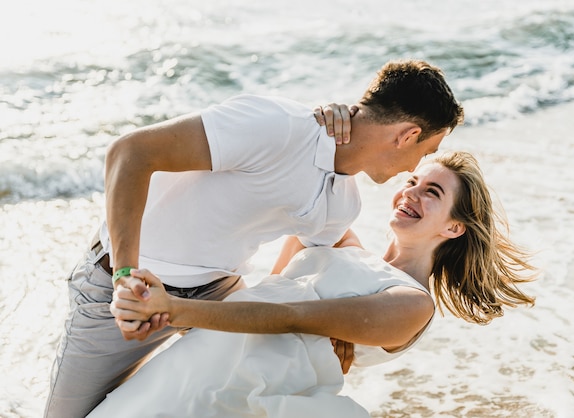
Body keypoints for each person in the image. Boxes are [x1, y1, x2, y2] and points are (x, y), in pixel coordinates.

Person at [45, 59, 464, 418]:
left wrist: (334, 335)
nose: (417, 163)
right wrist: (125, 277)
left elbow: (327, 267)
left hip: (216, 292)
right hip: (120, 286)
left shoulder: (343, 204)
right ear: (408, 134)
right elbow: (130, 152)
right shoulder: (277, 126)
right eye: (425, 151)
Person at [87, 151, 537, 417]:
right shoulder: (343, 240)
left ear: (455, 228)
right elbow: (275, 285)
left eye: (432, 193)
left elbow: (289, 318)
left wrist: (176, 309)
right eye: (412, 181)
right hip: (203, 354)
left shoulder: (412, 305)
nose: (409, 194)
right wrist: (335, 119)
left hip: (238, 389)